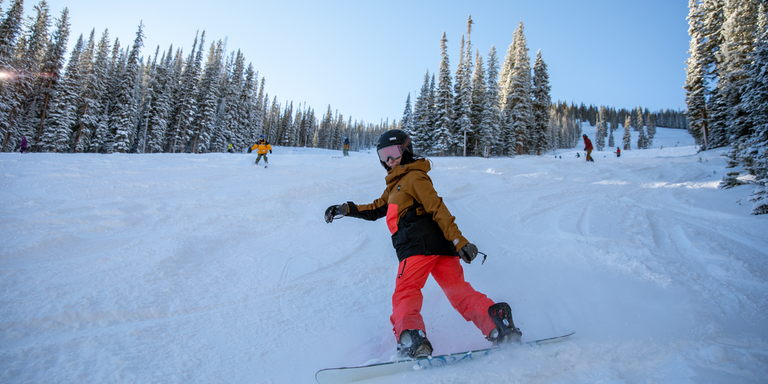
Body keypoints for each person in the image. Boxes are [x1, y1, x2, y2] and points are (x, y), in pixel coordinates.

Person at [324, 129, 521, 359]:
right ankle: (497, 324)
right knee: (460, 293)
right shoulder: (395, 186)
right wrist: (345, 209)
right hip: (440, 250)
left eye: (394, 153)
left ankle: (412, 338)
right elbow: (376, 208)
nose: (389, 161)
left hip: (417, 246)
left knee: (406, 291)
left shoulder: (414, 177)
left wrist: (459, 240)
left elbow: (437, 207)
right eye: (383, 156)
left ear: (406, 150)